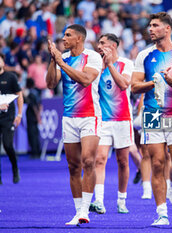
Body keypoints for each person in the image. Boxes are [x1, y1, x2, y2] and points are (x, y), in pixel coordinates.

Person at [131, 12, 172, 225]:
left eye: (155, 25)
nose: (150, 29)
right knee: (158, 164)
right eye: (149, 25)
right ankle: (162, 213)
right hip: (152, 114)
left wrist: (169, 80)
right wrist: (154, 82)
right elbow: (134, 86)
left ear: (167, 28)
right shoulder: (144, 56)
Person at [46, 24, 103, 225]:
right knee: (73, 166)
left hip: (90, 116)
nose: (64, 38)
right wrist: (53, 61)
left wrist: (61, 62)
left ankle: (85, 210)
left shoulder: (92, 57)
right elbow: (51, 84)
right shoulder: (64, 58)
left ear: (79, 38)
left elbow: (86, 80)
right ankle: (78, 210)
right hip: (69, 117)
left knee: (88, 161)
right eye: (63, 35)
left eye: (68, 35)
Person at [89, 33, 134, 215]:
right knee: (99, 159)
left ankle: (121, 200)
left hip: (123, 119)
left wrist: (108, 65)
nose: (99, 46)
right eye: (99, 43)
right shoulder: (96, 66)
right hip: (104, 120)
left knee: (122, 161)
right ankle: (98, 201)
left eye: (103, 44)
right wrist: (100, 68)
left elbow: (123, 85)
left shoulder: (126, 64)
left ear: (113, 46)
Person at [0, 52, 23, 185]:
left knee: (8, 145)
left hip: (8, 118)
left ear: (3, 62)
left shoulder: (10, 77)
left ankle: (15, 168)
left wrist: (19, 114)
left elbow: (19, 95)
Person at [24, 78, 42, 159]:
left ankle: (35, 153)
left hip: (32, 117)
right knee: (35, 134)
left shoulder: (31, 94)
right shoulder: (36, 93)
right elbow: (40, 105)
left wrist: (37, 117)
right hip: (35, 116)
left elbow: (34, 106)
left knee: (32, 135)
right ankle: (37, 152)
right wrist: (39, 115)